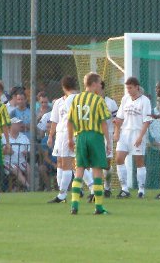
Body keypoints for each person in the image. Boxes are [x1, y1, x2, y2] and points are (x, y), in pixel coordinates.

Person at [68, 72, 111, 215]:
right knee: (97, 170)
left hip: (80, 136)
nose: (100, 85)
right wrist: (108, 141)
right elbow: (104, 122)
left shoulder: (76, 99)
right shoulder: (98, 100)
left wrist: (70, 139)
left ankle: (74, 205)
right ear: (93, 84)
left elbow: (70, 121)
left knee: (79, 169)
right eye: (99, 83)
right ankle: (98, 207)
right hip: (95, 135)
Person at [47, 76, 94, 203]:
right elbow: (55, 120)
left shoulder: (72, 100)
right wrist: (51, 135)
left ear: (63, 87)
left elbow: (70, 120)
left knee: (66, 163)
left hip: (67, 134)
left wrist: (68, 137)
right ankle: (92, 189)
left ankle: (62, 195)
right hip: (69, 133)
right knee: (70, 164)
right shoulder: (60, 102)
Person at [114, 77, 151, 198]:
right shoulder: (125, 99)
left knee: (139, 161)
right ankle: (124, 188)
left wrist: (141, 136)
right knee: (119, 158)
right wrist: (116, 132)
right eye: (127, 88)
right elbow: (119, 118)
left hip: (137, 133)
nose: (128, 90)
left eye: (130, 88)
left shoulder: (144, 101)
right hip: (125, 133)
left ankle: (141, 190)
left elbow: (146, 121)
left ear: (137, 87)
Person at [100, 81, 118, 198]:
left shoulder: (110, 103)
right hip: (94, 135)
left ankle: (107, 187)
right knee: (93, 163)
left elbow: (116, 120)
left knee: (107, 163)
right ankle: (93, 189)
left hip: (108, 135)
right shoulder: (90, 101)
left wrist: (116, 132)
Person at [2, 118, 31, 191]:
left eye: (20, 123)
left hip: (21, 161)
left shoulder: (24, 137)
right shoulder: (3, 137)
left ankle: (28, 187)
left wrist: (26, 152)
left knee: (29, 168)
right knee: (16, 169)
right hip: (8, 162)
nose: (20, 125)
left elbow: (29, 150)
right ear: (11, 126)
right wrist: (6, 151)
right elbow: (0, 151)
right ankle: (29, 187)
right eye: (17, 124)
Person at [39, 121, 57, 191]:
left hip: (61, 163)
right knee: (41, 168)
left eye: (50, 127)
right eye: (47, 127)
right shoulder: (45, 140)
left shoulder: (61, 139)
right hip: (49, 164)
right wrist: (54, 165)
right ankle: (49, 188)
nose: (47, 129)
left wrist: (59, 164)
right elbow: (45, 157)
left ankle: (66, 189)